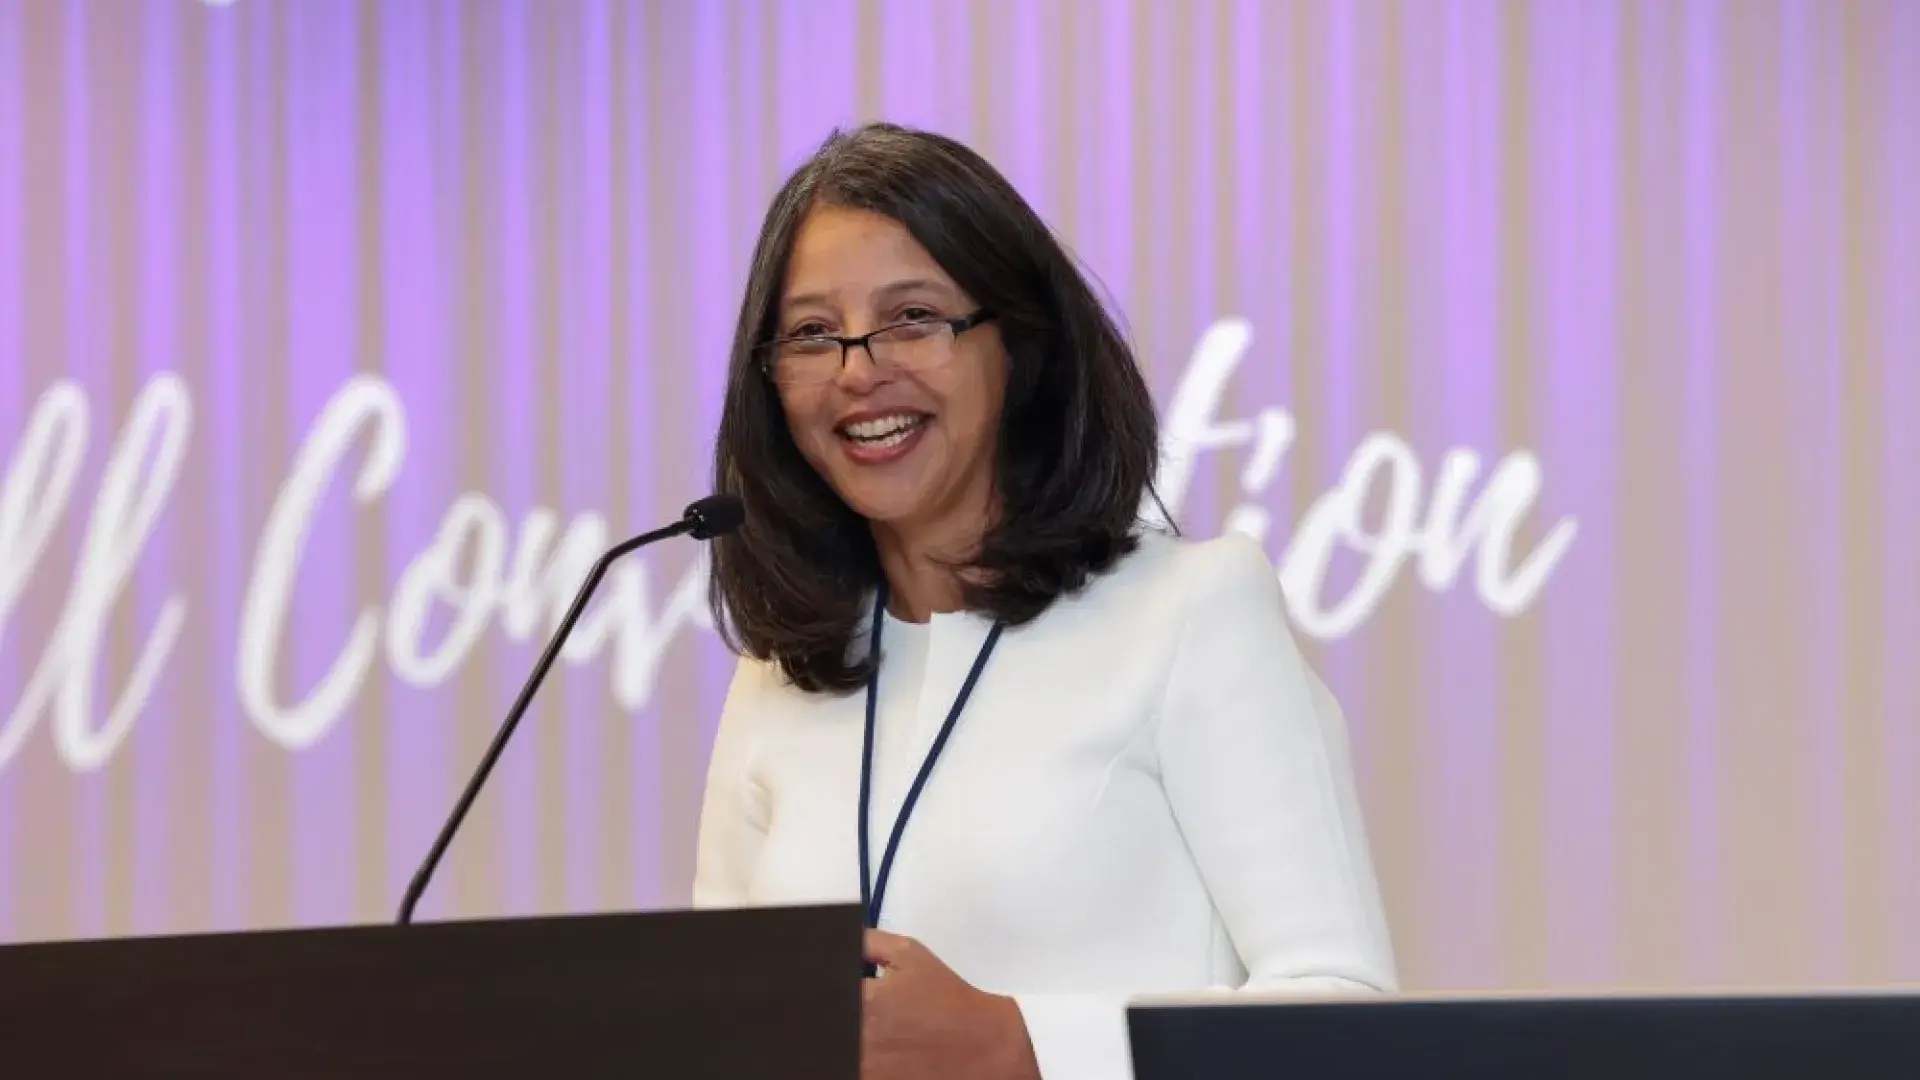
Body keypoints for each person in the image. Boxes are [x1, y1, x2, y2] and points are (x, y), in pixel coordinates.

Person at [693, 122, 1396, 1080]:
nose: (858, 371)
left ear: (1020, 345)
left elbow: (1343, 1014)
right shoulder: (780, 673)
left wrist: (1027, 1046)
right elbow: (718, 1027)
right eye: (813, 333)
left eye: (912, 317)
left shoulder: (1191, 612)